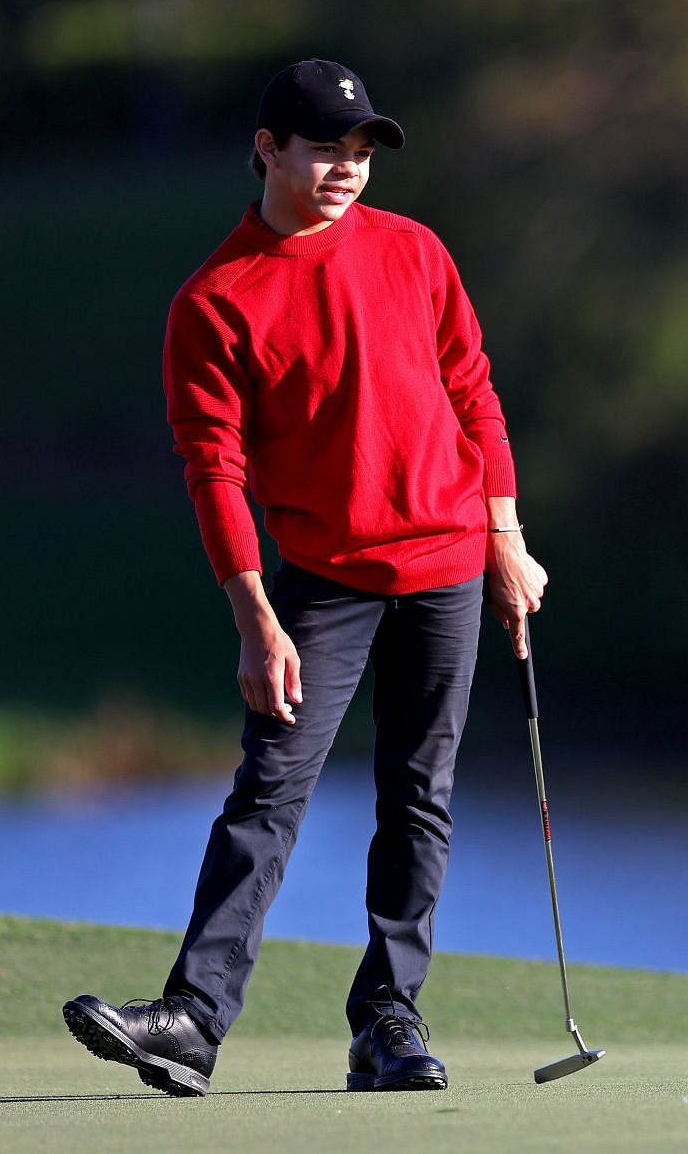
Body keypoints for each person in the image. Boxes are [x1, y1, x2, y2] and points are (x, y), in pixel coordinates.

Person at [62, 59, 547, 1097]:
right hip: (323, 579)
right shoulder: (216, 300)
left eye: (362, 150)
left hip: (450, 563)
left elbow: (474, 391)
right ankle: (193, 1019)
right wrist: (254, 615)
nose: (346, 168)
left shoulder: (415, 252)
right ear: (267, 148)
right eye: (325, 147)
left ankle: (388, 1022)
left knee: (421, 797)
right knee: (270, 794)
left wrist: (505, 532)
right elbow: (215, 469)